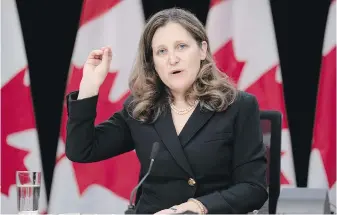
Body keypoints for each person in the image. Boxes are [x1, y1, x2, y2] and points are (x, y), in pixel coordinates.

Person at [65, 7, 268, 214]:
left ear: (202, 50)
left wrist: (198, 207)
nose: (172, 59)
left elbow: (254, 189)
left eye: (181, 46)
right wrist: (89, 87)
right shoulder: (141, 108)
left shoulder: (238, 106)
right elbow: (82, 150)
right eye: (162, 51)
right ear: (153, 63)